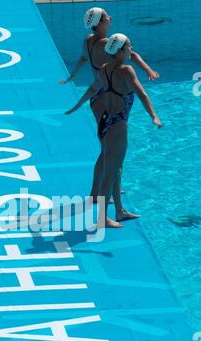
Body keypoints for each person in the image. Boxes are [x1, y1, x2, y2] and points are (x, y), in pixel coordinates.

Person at [61, 7, 159, 203]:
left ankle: (109, 188)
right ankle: (100, 193)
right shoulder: (108, 46)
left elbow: (82, 59)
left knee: (108, 150)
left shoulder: (88, 41)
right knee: (108, 151)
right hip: (105, 98)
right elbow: (131, 57)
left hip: (97, 95)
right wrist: (147, 68)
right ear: (99, 23)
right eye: (106, 17)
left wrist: (71, 77)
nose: (110, 18)